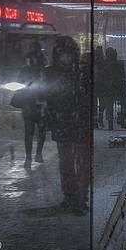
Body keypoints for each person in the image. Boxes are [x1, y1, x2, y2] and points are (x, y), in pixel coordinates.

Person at [42, 36, 90, 215]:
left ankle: (79, 196)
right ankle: (71, 195)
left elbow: (87, 97)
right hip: (63, 121)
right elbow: (48, 97)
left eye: (68, 54)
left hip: (78, 122)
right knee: (67, 161)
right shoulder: (53, 73)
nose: (66, 58)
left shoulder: (81, 72)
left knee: (81, 161)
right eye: (63, 54)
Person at [12, 48, 47, 168]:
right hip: (38, 104)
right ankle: (36, 155)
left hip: (30, 103)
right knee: (38, 130)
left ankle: (30, 157)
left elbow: (18, 83)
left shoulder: (26, 70)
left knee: (30, 132)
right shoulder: (43, 71)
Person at [102, 47, 126, 131]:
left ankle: (111, 124)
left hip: (109, 88)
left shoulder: (105, 64)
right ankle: (122, 121)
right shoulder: (119, 64)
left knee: (109, 106)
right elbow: (123, 75)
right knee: (121, 105)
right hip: (117, 88)